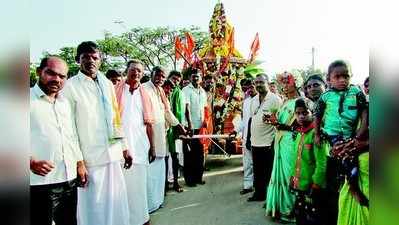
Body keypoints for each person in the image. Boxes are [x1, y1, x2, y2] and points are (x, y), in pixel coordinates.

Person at [62, 41, 132, 225]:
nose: (90, 61)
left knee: (116, 203)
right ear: (78, 60)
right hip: (90, 159)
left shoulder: (107, 83)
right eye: (86, 57)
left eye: (95, 57)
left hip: (112, 154)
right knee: (93, 209)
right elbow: (69, 129)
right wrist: (79, 162)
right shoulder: (70, 86)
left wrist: (124, 147)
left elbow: (116, 116)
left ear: (100, 60)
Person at [30, 56, 87, 225]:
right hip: (39, 183)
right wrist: (30, 162)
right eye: (51, 73)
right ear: (39, 72)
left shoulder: (64, 103)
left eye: (62, 76)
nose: (56, 79)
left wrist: (80, 163)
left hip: (68, 180)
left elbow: (72, 136)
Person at [314, 60, 368, 225]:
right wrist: (317, 134)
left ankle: (349, 185)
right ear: (329, 79)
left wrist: (359, 134)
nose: (342, 80)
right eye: (337, 77)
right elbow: (317, 115)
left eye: (346, 76)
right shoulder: (325, 96)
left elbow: (364, 113)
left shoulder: (356, 93)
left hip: (351, 134)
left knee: (352, 160)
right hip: (333, 136)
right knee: (346, 159)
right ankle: (353, 189)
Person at [115, 59, 154, 225]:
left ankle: (142, 219)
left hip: (139, 146)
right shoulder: (116, 90)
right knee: (121, 188)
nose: (136, 73)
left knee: (138, 187)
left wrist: (152, 147)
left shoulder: (145, 94)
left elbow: (149, 124)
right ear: (126, 70)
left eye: (139, 71)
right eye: (133, 70)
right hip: (119, 147)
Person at [142, 66, 186, 212]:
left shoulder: (160, 90)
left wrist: (178, 125)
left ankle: (157, 200)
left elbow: (167, 111)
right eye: (158, 75)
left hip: (162, 135)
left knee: (160, 170)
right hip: (148, 137)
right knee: (150, 172)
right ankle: (149, 204)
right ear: (151, 74)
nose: (160, 78)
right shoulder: (143, 89)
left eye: (162, 76)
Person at [265, 71, 302, 222]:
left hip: (291, 142)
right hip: (280, 141)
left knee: (289, 174)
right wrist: (272, 121)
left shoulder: (300, 102)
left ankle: (291, 211)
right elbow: (280, 124)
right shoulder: (285, 102)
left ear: (296, 83)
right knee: (278, 173)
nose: (284, 85)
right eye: (283, 82)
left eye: (288, 82)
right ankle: (279, 209)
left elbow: (297, 126)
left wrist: (277, 124)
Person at [289, 98, 327, 225]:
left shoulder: (316, 134)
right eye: (297, 113)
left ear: (313, 113)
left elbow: (322, 164)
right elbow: (295, 159)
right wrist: (292, 177)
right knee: (300, 216)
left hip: (312, 187)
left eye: (305, 113)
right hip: (299, 185)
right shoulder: (298, 133)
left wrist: (316, 185)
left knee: (313, 218)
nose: (301, 116)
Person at [247, 74, 282, 202]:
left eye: (261, 82)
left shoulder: (275, 99)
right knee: (257, 171)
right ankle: (259, 194)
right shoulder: (253, 100)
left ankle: (270, 198)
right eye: (256, 83)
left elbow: (280, 120)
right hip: (255, 142)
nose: (258, 85)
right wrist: (248, 139)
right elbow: (252, 120)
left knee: (268, 172)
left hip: (269, 142)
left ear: (267, 82)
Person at [182, 70, 208, 187]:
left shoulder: (202, 91)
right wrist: (190, 124)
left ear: (201, 77)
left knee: (200, 154)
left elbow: (205, 109)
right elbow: (186, 108)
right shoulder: (186, 90)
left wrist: (205, 122)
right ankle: (190, 180)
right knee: (189, 154)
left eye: (198, 76)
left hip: (200, 127)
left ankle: (198, 178)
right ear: (189, 77)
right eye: (193, 77)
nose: (196, 79)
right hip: (189, 127)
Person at [233, 78, 257, 195]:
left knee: (258, 163)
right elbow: (244, 120)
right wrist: (235, 130)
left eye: (252, 86)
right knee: (247, 163)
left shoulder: (260, 100)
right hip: (246, 136)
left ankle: (259, 187)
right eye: (248, 87)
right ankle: (248, 186)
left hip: (258, 138)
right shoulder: (246, 102)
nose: (250, 88)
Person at [165, 70, 185, 193]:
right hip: (165, 126)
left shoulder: (178, 92)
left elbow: (179, 112)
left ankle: (176, 182)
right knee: (165, 156)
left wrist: (180, 127)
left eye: (178, 80)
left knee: (175, 155)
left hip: (176, 127)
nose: (175, 81)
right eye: (174, 78)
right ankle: (166, 183)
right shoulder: (163, 90)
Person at [201, 74, 215, 170]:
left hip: (210, 119)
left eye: (212, 82)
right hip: (203, 119)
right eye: (208, 82)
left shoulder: (211, 93)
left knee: (207, 141)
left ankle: (203, 164)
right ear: (204, 82)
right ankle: (201, 165)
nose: (210, 84)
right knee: (202, 142)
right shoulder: (201, 92)